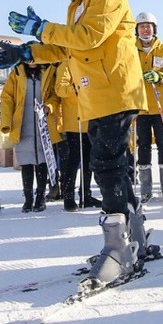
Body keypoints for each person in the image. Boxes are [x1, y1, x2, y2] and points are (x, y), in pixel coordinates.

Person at [0, 0, 146, 289]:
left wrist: (39, 28)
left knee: (107, 166)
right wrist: (27, 54)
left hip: (115, 91)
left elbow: (88, 36)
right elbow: (69, 47)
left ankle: (118, 250)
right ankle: (135, 242)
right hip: (97, 94)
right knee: (114, 165)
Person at [133, 11, 163, 211]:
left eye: (149, 26)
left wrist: (159, 76)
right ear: (136, 30)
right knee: (143, 144)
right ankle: (145, 190)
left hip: (161, 105)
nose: (145, 29)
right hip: (141, 105)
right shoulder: (130, 49)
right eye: (142, 26)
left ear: (155, 28)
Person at [0, 61, 61, 212]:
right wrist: (6, 122)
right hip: (23, 124)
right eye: (29, 57)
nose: (32, 61)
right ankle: (28, 199)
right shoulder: (16, 74)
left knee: (42, 162)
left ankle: (40, 198)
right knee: (26, 163)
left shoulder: (48, 73)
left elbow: (55, 96)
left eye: (36, 57)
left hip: (43, 125)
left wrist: (49, 107)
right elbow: (7, 98)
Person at [54, 59, 100, 211]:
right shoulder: (66, 65)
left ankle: (85, 194)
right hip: (75, 120)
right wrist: (76, 88)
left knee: (88, 160)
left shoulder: (90, 63)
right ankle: (68, 196)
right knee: (73, 160)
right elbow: (60, 89)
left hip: (91, 118)